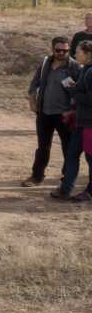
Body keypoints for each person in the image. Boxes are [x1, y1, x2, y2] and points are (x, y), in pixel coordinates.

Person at [22, 36, 80, 187]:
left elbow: (80, 92)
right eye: (58, 50)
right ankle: (37, 176)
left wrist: (72, 110)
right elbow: (35, 83)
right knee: (43, 146)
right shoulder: (46, 63)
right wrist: (32, 100)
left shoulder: (74, 67)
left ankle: (66, 180)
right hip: (44, 113)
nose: (62, 53)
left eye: (65, 50)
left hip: (64, 115)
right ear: (52, 49)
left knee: (67, 147)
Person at [57, 40, 92, 201]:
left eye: (78, 52)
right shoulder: (86, 69)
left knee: (90, 159)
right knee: (72, 154)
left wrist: (73, 92)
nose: (75, 55)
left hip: (89, 124)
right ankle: (66, 189)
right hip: (81, 121)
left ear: (88, 54)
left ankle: (90, 192)